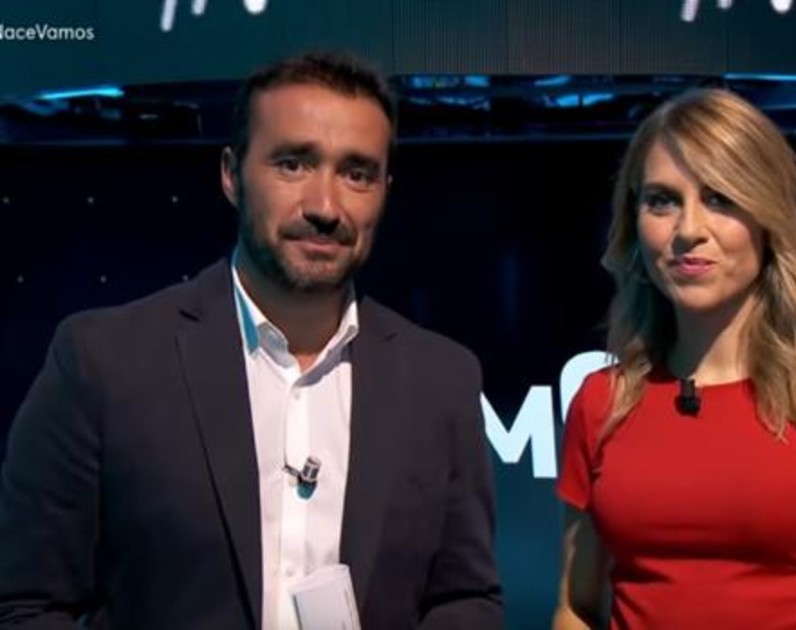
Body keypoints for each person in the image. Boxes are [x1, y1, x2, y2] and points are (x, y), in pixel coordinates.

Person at [0, 51, 503, 629]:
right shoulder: (103, 363)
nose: (325, 206)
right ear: (231, 174)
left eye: (357, 173)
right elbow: (25, 604)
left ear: (385, 190)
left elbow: (465, 599)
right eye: (293, 164)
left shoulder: (440, 381)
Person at [552, 88, 796, 629]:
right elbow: (576, 607)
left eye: (720, 198)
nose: (689, 230)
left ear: (767, 216)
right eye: (662, 200)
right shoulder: (602, 403)